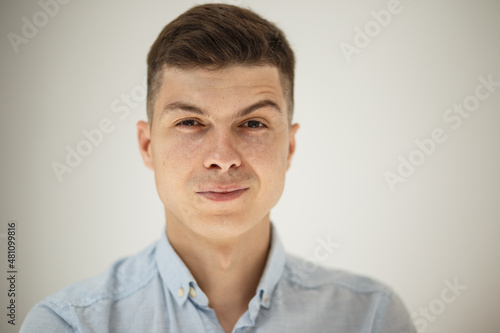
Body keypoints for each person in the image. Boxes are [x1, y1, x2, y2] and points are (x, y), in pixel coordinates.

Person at [21, 4, 416, 332]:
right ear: (147, 145)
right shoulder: (68, 324)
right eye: (190, 123)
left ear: (290, 146)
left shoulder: (371, 318)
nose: (222, 156)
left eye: (254, 123)